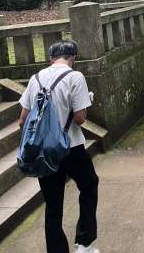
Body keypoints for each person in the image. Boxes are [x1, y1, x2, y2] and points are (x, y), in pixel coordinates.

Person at [19, 40, 99, 253]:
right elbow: (80, 118)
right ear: (73, 58)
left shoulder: (35, 78)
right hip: (71, 147)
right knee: (89, 185)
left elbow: (23, 119)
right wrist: (87, 101)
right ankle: (84, 242)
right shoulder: (75, 77)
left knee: (53, 205)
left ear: (50, 58)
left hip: (44, 151)